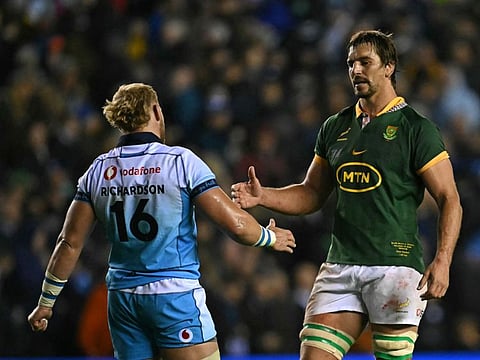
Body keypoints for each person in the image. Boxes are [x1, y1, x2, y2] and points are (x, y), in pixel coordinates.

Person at [231, 30, 463, 360]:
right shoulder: (335, 127)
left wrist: (443, 261)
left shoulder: (417, 129)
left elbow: (449, 198)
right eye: (351, 63)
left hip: (395, 267)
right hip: (340, 266)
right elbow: (312, 193)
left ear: (389, 67)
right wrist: (263, 195)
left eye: (365, 62)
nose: (356, 70)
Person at [27, 82, 296, 360]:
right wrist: (270, 237)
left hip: (122, 298)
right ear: (155, 110)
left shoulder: (98, 170)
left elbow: (68, 242)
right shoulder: (180, 162)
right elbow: (236, 225)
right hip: (172, 294)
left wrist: (46, 302)